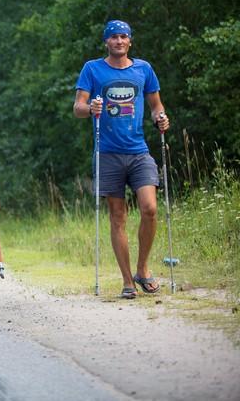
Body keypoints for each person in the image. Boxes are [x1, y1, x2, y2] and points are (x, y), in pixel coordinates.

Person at [73, 20, 170, 299]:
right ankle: (128, 282)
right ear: (106, 41)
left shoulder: (144, 69)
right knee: (118, 217)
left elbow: (156, 106)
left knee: (150, 208)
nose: (118, 41)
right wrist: (90, 108)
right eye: (113, 37)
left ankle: (143, 269)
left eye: (123, 37)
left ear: (130, 41)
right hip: (107, 153)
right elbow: (78, 107)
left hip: (138, 150)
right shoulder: (93, 69)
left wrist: (160, 118)